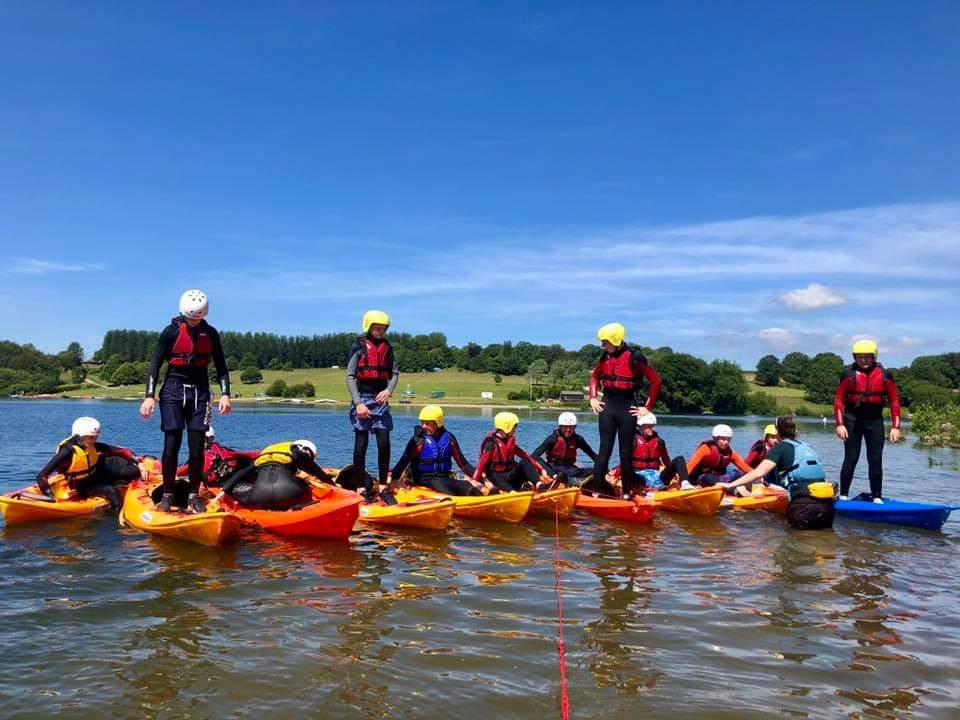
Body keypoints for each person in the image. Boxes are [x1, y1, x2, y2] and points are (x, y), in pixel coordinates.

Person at [140, 289, 231, 514]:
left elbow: (221, 366)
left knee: (197, 447)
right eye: (191, 317)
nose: (193, 321)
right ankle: (168, 495)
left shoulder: (210, 333)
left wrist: (226, 394)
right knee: (172, 441)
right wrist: (149, 396)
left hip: (200, 392)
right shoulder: (170, 332)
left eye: (197, 317)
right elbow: (155, 364)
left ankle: (193, 495)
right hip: (172, 389)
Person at [719, 415, 835, 530]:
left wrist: (730, 485)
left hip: (803, 506)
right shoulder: (807, 447)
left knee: (797, 543)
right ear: (796, 432)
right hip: (828, 506)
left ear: (778, 432)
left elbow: (758, 473)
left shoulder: (780, 447)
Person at [589, 322, 661, 500]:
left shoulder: (635, 357)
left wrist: (647, 407)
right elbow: (595, 377)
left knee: (626, 452)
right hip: (607, 406)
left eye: (605, 342)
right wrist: (592, 397)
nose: (602, 345)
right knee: (604, 450)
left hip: (627, 408)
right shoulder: (604, 357)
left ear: (615, 339)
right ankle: (597, 491)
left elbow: (655, 381)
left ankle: (627, 493)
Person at [834, 339, 901, 502]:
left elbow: (894, 400)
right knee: (851, 457)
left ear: (874, 356)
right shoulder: (848, 375)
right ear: (854, 357)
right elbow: (838, 400)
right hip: (852, 421)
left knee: (875, 460)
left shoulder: (885, 375)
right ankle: (843, 496)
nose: (863, 360)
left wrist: (896, 426)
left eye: (867, 357)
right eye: (860, 357)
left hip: (875, 422)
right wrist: (840, 424)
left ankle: (877, 496)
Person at [346, 310, 399, 503]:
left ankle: (383, 485)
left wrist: (389, 391)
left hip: (380, 401)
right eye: (377, 327)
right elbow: (350, 376)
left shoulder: (388, 348)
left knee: (384, 442)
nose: (380, 331)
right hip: (362, 398)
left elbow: (395, 373)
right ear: (368, 326)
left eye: (383, 328)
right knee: (361, 444)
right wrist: (358, 404)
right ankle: (360, 487)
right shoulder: (358, 347)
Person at [35, 417, 141, 510]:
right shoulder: (67, 452)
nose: (94, 440)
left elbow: (121, 451)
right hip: (81, 486)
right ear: (79, 436)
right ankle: (115, 520)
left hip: (96, 476)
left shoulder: (90, 444)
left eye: (96, 437)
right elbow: (41, 476)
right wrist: (51, 497)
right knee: (111, 491)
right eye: (91, 437)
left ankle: (118, 483)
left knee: (135, 472)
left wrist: (138, 462)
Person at [389, 405, 480, 496]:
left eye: (428, 423)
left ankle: (475, 497)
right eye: (422, 423)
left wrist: (480, 479)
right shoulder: (418, 440)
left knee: (465, 485)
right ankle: (451, 498)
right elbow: (403, 461)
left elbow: (463, 464)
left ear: (438, 423)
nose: (424, 426)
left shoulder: (449, 438)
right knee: (438, 482)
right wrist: (394, 480)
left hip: (444, 477)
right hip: (422, 478)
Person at [220, 440, 330, 510]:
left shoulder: (264, 455)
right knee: (305, 485)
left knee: (239, 488)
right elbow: (320, 474)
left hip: (258, 497)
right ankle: (298, 506)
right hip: (289, 494)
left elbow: (241, 473)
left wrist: (223, 490)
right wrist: (334, 485)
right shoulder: (298, 452)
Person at [473, 412, 553, 493]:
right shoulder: (491, 444)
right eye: (514, 426)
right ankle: (512, 492)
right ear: (506, 427)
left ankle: (539, 485)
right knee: (495, 476)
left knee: (525, 461)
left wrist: (541, 469)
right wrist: (474, 481)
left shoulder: (509, 442)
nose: (515, 429)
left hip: (509, 475)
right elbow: (481, 466)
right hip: (495, 477)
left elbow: (525, 456)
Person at [609, 413, 689, 492]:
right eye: (649, 426)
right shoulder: (632, 440)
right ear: (641, 426)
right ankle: (628, 491)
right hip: (639, 477)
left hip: (658, 477)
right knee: (627, 469)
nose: (653, 428)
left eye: (653, 426)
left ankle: (685, 483)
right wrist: (615, 474)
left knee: (679, 459)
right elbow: (625, 461)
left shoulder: (659, 441)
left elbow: (666, 460)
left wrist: (674, 474)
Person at [176, 426, 259, 488]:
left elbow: (180, 471)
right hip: (232, 482)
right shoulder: (225, 451)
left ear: (210, 439)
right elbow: (250, 454)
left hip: (220, 487)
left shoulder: (199, 457)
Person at [532, 412, 597, 486]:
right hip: (554, 468)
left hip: (571, 468)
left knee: (596, 471)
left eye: (571, 427)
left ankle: (582, 481)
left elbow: (592, 455)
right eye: (565, 427)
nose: (568, 430)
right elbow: (534, 456)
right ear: (560, 426)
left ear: (575, 427)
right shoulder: (552, 439)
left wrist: (602, 466)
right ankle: (571, 481)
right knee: (570, 473)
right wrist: (543, 469)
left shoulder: (578, 439)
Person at [686, 424, 753, 489]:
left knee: (740, 473)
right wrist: (681, 480)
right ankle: (732, 487)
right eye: (723, 439)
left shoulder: (730, 453)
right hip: (700, 478)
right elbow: (690, 466)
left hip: (718, 478)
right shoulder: (705, 449)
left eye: (728, 439)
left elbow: (745, 467)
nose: (726, 442)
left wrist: (758, 476)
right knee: (707, 477)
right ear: (715, 438)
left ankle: (731, 487)